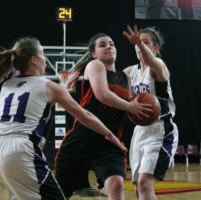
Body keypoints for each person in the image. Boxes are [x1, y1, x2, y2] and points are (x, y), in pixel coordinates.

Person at [0, 37, 127, 200]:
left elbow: (30, 105)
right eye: (43, 54)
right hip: (20, 151)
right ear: (34, 60)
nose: (45, 60)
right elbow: (85, 115)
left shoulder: (7, 86)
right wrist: (111, 135)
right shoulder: (49, 86)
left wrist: (61, 90)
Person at [55, 32, 153, 200]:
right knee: (59, 194)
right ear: (94, 53)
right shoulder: (95, 65)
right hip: (82, 139)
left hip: (110, 143)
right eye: (103, 45)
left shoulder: (125, 77)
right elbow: (102, 94)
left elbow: (127, 111)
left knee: (116, 184)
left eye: (112, 44)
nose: (109, 46)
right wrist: (130, 106)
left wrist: (143, 113)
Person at [123, 25, 179, 200]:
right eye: (138, 43)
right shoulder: (130, 72)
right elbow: (110, 83)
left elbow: (153, 62)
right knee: (139, 189)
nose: (140, 46)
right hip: (140, 131)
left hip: (161, 129)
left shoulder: (158, 67)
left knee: (145, 184)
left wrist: (139, 44)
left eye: (145, 43)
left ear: (155, 48)